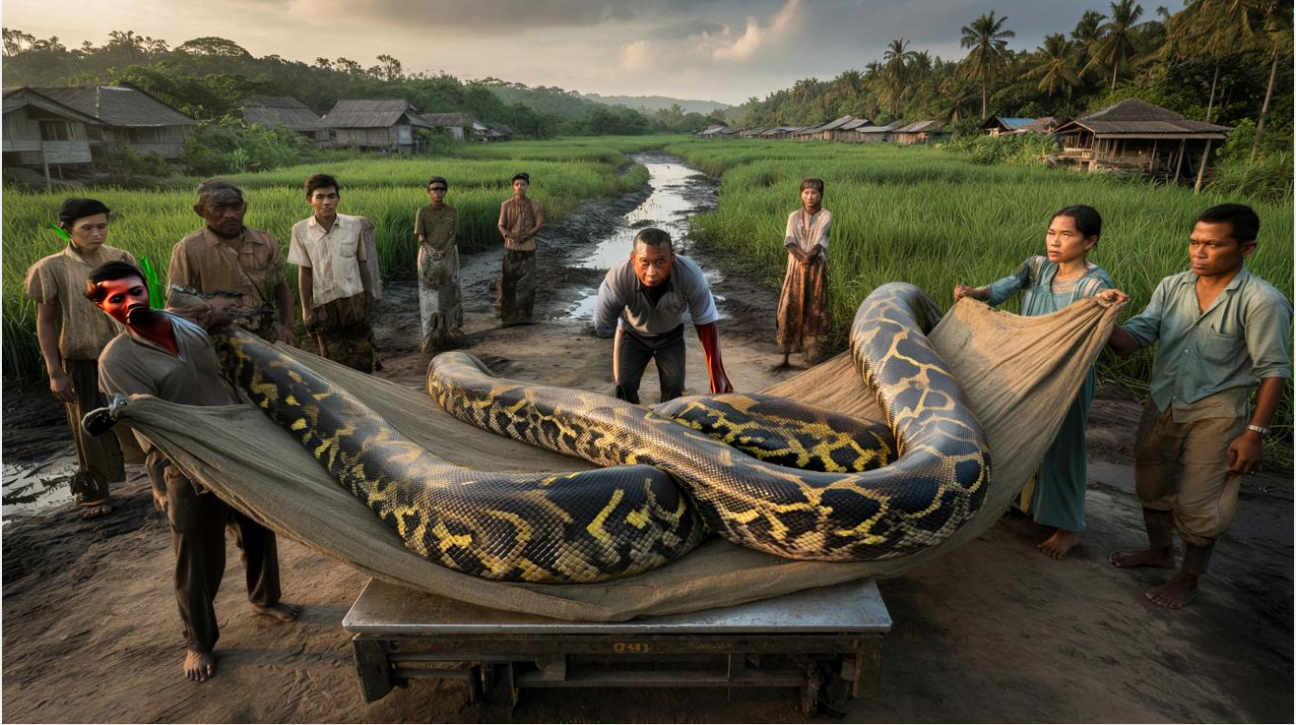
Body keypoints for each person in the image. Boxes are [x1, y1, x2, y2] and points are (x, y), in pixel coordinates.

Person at [88, 260, 301, 682]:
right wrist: (161, 483)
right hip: (186, 462)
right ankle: (198, 642)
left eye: (135, 292)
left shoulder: (183, 325)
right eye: (116, 298)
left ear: (146, 289)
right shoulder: (117, 360)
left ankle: (264, 598)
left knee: (258, 526)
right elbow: (150, 424)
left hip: (238, 444)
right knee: (197, 555)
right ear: (101, 306)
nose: (129, 302)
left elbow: (222, 367)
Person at [1100, 203, 1290, 609]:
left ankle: (1188, 578)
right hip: (1163, 403)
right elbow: (1133, 340)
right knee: (1152, 484)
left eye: (1213, 245)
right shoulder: (1173, 287)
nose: (1199, 252)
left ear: (1246, 249)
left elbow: (1274, 372)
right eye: (1194, 242)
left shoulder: (1262, 301)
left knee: (1200, 501)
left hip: (1216, 414)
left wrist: (1254, 434)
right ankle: (1159, 551)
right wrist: (1102, 316)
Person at [954, 205, 1116, 559]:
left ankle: (1070, 526)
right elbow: (1002, 288)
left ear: (1089, 242)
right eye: (1051, 232)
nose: (1054, 241)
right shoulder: (1038, 267)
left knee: (1062, 447)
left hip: (1068, 375)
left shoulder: (1095, 284)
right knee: (1020, 435)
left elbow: (1101, 322)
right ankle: (1023, 504)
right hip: (1028, 370)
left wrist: (1104, 304)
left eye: (1066, 235)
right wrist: (973, 293)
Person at [24, 198, 138, 517]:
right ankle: (93, 492)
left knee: (143, 414)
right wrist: (54, 371)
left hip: (124, 354)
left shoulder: (121, 258)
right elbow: (45, 323)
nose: (96, 233)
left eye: (102, 226)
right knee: (87, 426)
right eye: (87, 228)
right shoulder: (51, 267)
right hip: (81, 357)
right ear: (67, 229)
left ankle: (165, 479)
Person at [594, 227, 733, 404]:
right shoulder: (618, 278)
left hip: (671, 335)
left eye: (660, 262)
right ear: (633, 259)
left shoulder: (690, 276)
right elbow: (605, 327)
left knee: (674, 387)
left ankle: (669, 420)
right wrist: (620, 378)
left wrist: (717, 378)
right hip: (633, 333)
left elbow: (707, 326)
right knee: (625, 385)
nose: (652, 272)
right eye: (644, 262)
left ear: (672, 260)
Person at [167, 180, 296, 345]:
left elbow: (281, 287)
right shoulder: (188, 249)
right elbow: (176, 297)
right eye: (218, 208)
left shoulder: (265, 242)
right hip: (218, 339)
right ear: (200, 211)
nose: (230, 214)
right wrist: (210, 305)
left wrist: (288, 327)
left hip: (266, 333)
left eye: (236, 207)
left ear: (244, 208)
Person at [288, 173, 377, 373]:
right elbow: (305, 271)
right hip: (324, 305)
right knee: (333, 364)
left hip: (354, 300)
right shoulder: (300, 230)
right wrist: (305, 308)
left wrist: (368, 297)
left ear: (338, 199)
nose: (326, 202)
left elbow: (362, 264)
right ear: (310, 200)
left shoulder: (354, 225)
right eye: (320, 197)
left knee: (363, 358)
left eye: (331, 196)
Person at [776, 177, 832, 368]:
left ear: (820, 195)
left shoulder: (826, 216)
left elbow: (819, 242)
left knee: (814, 306)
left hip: (816, 267)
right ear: (801, 195)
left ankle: (811, 350)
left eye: (814, 193)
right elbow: (789, 241)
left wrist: (808, 258)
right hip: (795, 267)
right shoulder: (793, 216)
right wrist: (803, 258)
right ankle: (789, 349)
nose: (810, 197)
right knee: (790, 303)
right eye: (806, 193)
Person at [414, 175, 463, 352]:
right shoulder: (423, 212)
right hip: (427, 256)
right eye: (434, 189)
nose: (438, 192)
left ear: (445, 191)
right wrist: (432, 250)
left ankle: (451, 331)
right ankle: (430, 336)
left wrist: (444, 250)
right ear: (429, 192)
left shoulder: (452, 211)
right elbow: (421, 236)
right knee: (428, 294)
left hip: (449, 255)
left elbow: (454, 234)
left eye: (441, 189)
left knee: (450, 291)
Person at [496, 172, 545, 325]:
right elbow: (501, 225)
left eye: (523, 184)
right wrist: (508, 235)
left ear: (527, 186)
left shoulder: (534, 204)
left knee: (527, 284)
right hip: (510, 247)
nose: (520, 187)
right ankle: (508, 316)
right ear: (513, 187)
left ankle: (525, 316)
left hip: (528, 248)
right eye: (517, 184)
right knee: (508, 283)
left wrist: (527, 235)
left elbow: (540, 223)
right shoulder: (506, 204)